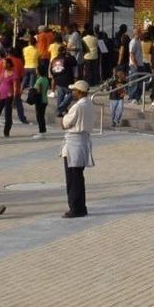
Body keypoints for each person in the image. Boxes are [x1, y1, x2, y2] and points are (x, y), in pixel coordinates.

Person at [60, 81, 94, 218]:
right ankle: (81, 207)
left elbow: (65, 123)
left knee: (73, 179)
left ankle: (75, 208)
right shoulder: (89, 103)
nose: (72, 92)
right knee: (79, 177)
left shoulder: (77, 106)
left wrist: (64, 115)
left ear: (79, 92)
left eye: (74, 90)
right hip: (83, 142)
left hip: (74, 144)